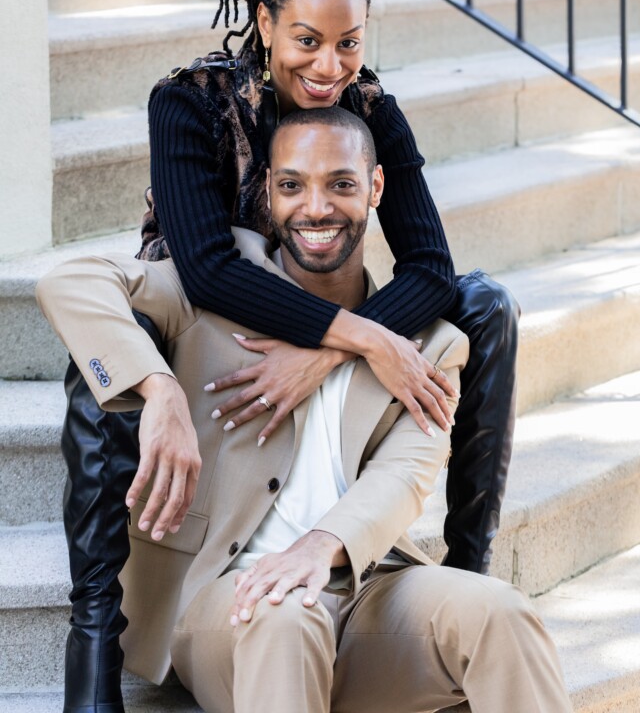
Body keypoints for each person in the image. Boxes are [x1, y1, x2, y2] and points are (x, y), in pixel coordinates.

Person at [56, 0, 518, 713]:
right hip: (209, 319)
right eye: (308, 39)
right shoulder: (190, 101)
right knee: (105, 358)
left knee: (485, 308)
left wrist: (333, 349)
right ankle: (96, 628)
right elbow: (202, 269)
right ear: (265, 21)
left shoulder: (370, 109)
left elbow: (432, 269)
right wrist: (166, 386)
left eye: (349, 42)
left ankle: (465, 565)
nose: (330, 64)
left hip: (319, 303)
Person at [38, 109, 570, 713]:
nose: (315, 208)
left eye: (341, 184)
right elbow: (70, 282)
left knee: (501, 611)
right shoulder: (212, 293)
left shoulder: (426, 346)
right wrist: (158, 388)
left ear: (375, 188)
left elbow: (406, 472)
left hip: (366, 594)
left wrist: (322, 545)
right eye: (292, 185)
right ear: (268, 190)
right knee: (286, 611)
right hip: (230, 604)